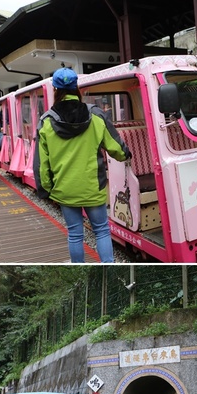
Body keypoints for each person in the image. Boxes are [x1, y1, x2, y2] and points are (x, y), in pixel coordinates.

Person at [35, 67, 130, 263]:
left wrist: (46, 190)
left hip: (65, 188)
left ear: (55, 90)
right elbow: (117, 149)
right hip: (92, 186)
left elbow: (42, 165)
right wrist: (125, 155)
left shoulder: (46, 121)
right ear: (76, 87)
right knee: (102, 231)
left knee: (75, 235)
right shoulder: (95, 115)